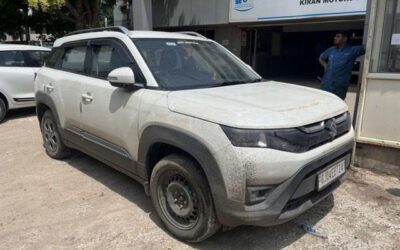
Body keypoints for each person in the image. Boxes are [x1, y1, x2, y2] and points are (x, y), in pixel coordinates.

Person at [319, 31, 365, 100]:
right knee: (323, 104)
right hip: (326, 84)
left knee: (337, 105)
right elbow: (321, 58)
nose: (335, 38)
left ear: (344, 39)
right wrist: (325, 66)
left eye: (338, 36)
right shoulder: (331, 50)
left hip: (340, 88)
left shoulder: (352, 50)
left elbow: (367, 47)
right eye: (335, 36)